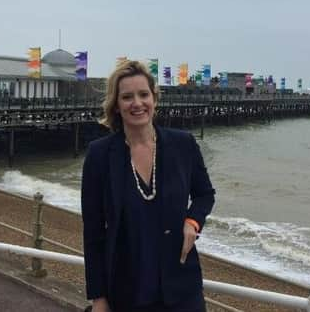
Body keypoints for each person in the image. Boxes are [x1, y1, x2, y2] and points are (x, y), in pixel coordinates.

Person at [81, 60, 216, 312]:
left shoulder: (183, 145)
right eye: (127, 97)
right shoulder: (99, 155)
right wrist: (98, 297)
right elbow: (93, 233)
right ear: (116, 105)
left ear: (154, 98)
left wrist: (193, 221)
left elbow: (205, 194)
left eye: (143, 94)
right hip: (127, 290)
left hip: (181, 288)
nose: (137, 103)